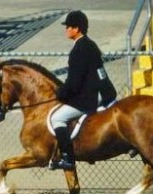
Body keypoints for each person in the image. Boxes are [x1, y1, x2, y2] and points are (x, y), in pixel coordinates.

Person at [49, 10, 117, 170]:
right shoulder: (90, 44)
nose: (66, 30)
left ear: (77, 29)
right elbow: (98, 74)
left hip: (89, 98)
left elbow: (74, 83)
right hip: (103, 94)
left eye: (68, 27)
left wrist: (61, 94)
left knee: (57, 118)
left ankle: (68, 158)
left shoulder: (78, 50)